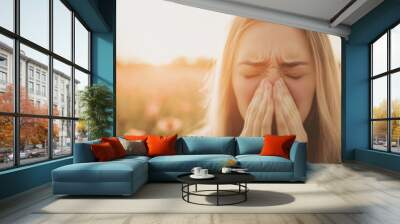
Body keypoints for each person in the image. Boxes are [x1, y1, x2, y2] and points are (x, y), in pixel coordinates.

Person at [201, 17, 341, 163]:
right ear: (230, 80)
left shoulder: (344, 162)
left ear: (320, 80)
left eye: (294, 72)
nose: (272, 86)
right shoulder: (203, 157)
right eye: (251, 71)